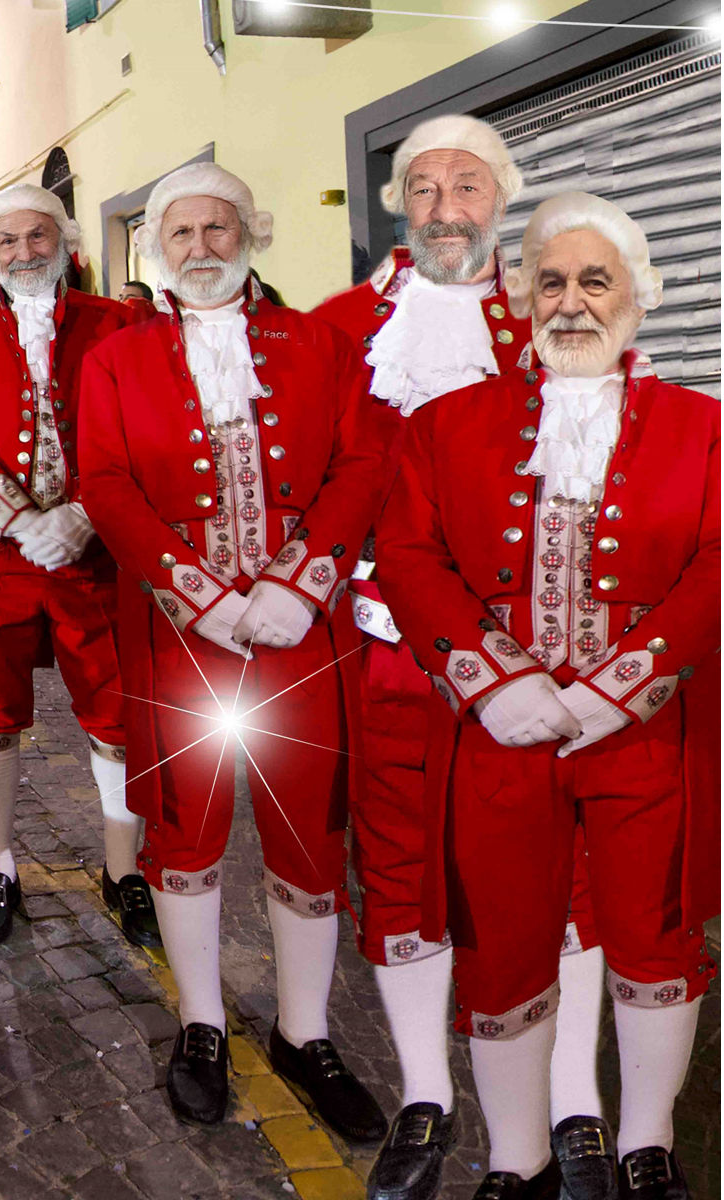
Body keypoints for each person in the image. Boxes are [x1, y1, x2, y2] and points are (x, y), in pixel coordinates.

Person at [376, 191, 718, 1200]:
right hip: (496, 736)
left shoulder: (704, 429)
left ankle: (643, 1141)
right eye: (550, 282)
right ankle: (514, 1157)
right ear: (521, 296)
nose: (569, 303)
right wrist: (489, 682)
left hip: (645, 737)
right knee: (502, 947)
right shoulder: (441, 426)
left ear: (637, 300)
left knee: (655, 937)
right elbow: (405, 553)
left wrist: (628, 682)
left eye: (593, 281)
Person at [313, 115, 611, 1200]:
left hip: (535, 665)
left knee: (559, 877)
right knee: (397, 881)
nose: (446, 209)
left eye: (467, 186)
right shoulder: (339, 327)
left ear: (503, 198)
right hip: (391, 656)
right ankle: (424, 1097)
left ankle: (573, 1107)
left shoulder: (555, 307)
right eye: (423, 188)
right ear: (398, 202)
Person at [77, 164, 396, 1144]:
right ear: (155, 250)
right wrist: (197, 591)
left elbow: (361, 461)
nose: (201, 246)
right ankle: (201, 1024)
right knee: (185, 832)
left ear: (247, 233)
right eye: (180, 233)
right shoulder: (113, 360)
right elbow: (105, 480)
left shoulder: (319, 343)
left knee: (308, 837)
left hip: (304, 632)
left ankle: (303, 1034)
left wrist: (300, 581)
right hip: (179, 637)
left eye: (218, 227)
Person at [0, 182, 155, 947]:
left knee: (117, 716)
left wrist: (83, 514)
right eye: (8, 242)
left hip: (97, 558)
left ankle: (124, 869)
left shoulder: (117, 323)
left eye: (38, 237)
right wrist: (22, 522)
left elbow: (136, 430)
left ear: (65, 243)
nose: (25, 253)